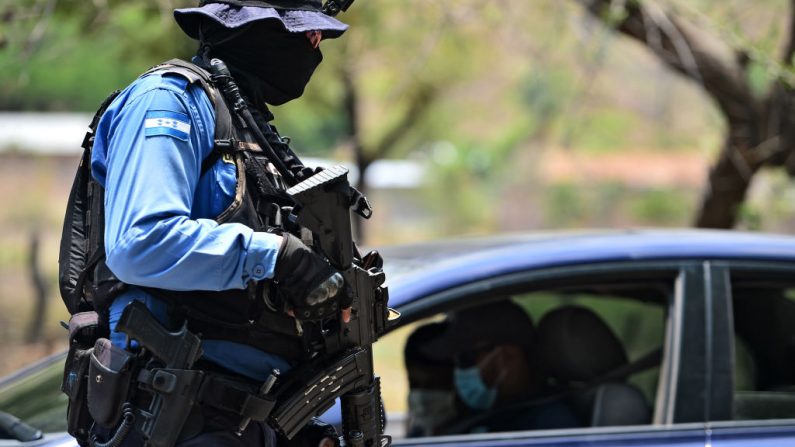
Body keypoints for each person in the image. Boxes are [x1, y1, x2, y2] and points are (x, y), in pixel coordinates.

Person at [76, 1, 355, 446]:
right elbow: (140, 242)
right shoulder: (168, 100)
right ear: (250, 25)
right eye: (303, 29)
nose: (315, 43)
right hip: (173, 412)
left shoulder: (247, 124)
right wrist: (279, 258)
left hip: (244, 419)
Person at [419, 300, 580, 435]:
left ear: (507, 356)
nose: (458, 371)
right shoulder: (496, 412)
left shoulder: (549, 426)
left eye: (464, 359)